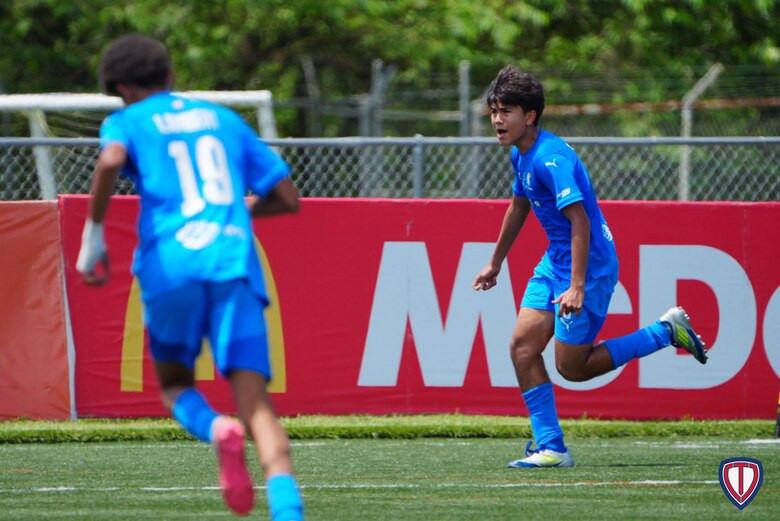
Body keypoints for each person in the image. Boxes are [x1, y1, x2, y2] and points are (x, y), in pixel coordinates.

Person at [76, 34, 304, 520]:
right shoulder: (225, 119)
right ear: (171, 75)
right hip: (231, 261)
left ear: (120, 88)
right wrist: (233, 213)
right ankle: (288, 511)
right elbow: (287, 198)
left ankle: (216, 428)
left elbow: (112, 160)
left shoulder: (127, 120)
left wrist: (93, 238)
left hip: (170, 264)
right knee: (257, 402)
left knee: (175, 382)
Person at [473, 65, 708, 468]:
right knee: (522, 347)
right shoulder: (519, 154)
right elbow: (518, 206)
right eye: (494, 110)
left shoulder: (550, 159)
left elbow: (579, 220)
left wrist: (578, 285)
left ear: (529, 116)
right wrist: (495, 262)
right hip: (556, 263)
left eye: (506, 110)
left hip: (590, 267)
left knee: (572, 368)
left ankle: (665, 331)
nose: (497, 119)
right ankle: (551, 447)